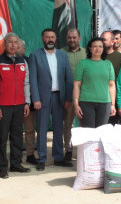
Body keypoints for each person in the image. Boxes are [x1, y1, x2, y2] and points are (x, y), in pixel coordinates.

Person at [29, 29, 74, 171]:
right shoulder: (35, 55)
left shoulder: (62, 55)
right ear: (43, 39)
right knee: (42, 129)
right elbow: (32, 79)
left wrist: (68, 98)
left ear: (56, 39)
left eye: (52, 37)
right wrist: (35, 99)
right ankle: (42, 158)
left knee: (58, 128)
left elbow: (68, 78)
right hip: (42, 98)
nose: (50, 39)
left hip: (59, 97)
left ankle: (58, 157)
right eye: (47, 37)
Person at [0, 33, 31, 179]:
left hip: (19, 105)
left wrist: (27, 102)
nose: (13, 45)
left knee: (17, 136)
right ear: (4, 44)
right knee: (2, 138)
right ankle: (2, 167)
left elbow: (26, 83)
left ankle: (16, 164)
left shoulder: (23, 62)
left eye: (15, 42)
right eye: (10, 42)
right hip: (3, 106)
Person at [73, 37, 115, 128]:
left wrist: (113, 104)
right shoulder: (83, 63)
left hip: (105, 103)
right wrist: (76, 104)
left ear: (103, 49)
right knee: (89, 132)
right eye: (95, 46)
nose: (98, 49)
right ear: (90, 48)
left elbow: (111, 85)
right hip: (86, 103)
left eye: (100, 46)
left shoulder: (108, 64)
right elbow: (76, 85)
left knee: (101, 132)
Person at [62, 28, 86, 161]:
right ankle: (68, 150)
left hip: (85, 94)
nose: (72, 40)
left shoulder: (86, 53)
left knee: (84, 124)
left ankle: (83, 151)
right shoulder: (61, 53)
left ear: (79, 38)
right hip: (68, 94)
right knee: (68, 124)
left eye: (74, 37)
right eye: (69, 37)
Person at [19, 40, 37, 165]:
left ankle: (30, 154)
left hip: (27, 101)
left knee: (29, 129)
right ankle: (16, 155)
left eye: (18, 47)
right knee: (14, 131)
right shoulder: (2, 61)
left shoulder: (30, 62)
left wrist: (30, 100)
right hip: (10, 102)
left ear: (24, 50)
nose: (15, 48)